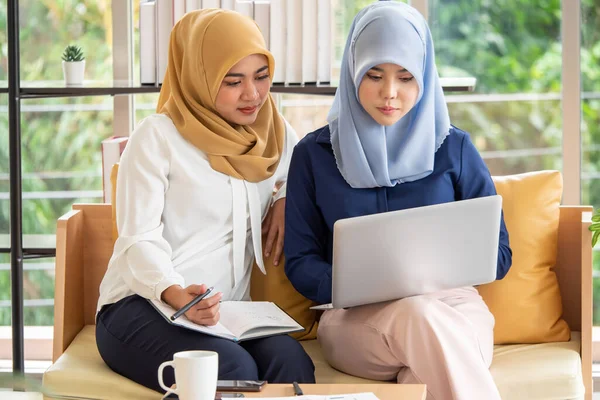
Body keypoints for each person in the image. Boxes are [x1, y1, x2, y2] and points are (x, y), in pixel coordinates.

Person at [283, 2, 512, 399]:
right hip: (355, 320)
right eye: (374, 75)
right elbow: (300, 262)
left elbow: (500, 254)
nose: (390, 94)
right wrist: (354, 285)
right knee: (416, 316)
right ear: (353, 70)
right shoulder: (314, 154)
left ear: (424, 77)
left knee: (418, 374)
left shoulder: (454, 148)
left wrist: (437, 272)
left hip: (455, 309)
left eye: (406, 77)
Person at [95, 9, 315, 393]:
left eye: (262, 77)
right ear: (200, 77)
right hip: (142, 306)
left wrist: (282, 197)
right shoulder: (157, 138)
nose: (253, 94)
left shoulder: (275, 133)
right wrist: (175, 292)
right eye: (233, 81)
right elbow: (138, 239)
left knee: (292, 362)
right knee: (229, 368)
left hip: (228, 312)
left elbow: (294, 172)